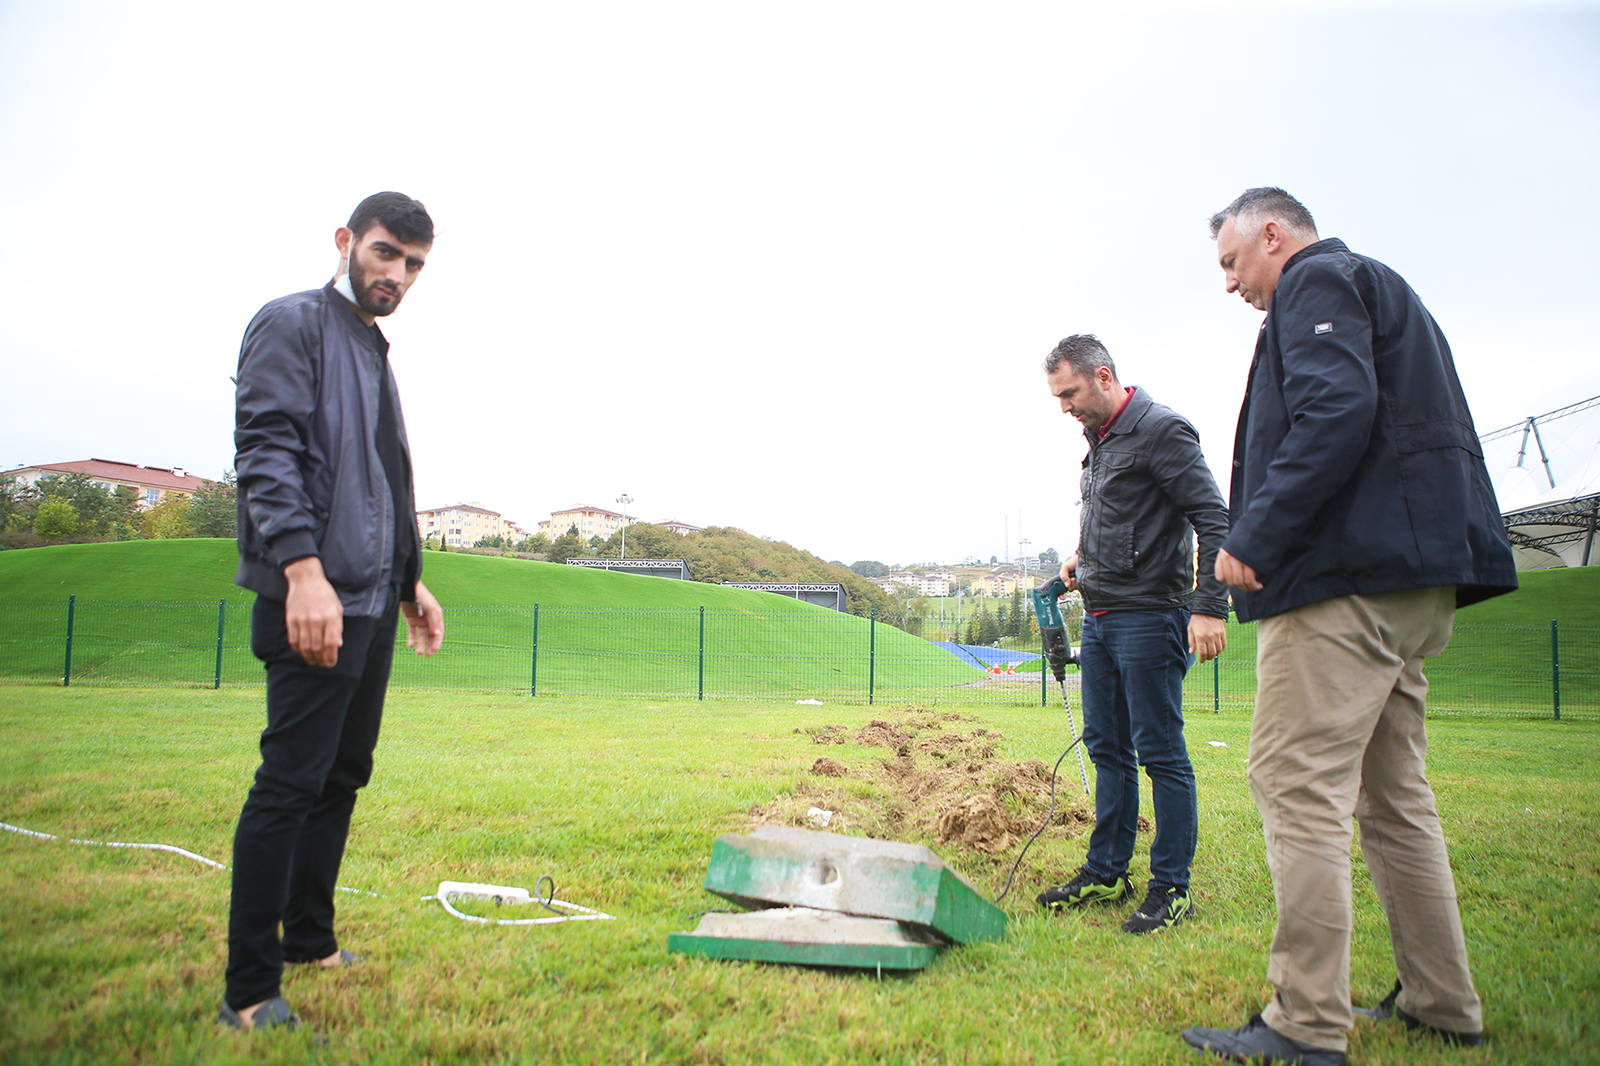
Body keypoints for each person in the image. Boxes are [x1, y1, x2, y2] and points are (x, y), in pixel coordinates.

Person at [1182, 188, 1516, 1065]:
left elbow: (1337, 410)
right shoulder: (1384, 286)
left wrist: (1255, 535)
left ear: (1273, 235)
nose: (1230, 284)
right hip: (1413, 579)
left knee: (1296, 783)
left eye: (1231, 261)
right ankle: (1444, 999)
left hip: (1345, 586)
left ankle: (1305, 1021)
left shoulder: (1315, 283)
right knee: (1394, 798)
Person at [222, 191, 446, 1031]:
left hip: (370, 597)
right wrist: (303, 573)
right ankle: (248, 992)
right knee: (289, 782)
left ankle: (308, 939)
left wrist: (407, 580)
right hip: (312, 597)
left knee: (343, 774)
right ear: (348, 241)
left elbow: (380, 480)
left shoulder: (372, 347)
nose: (398, 274)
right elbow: (267, 451)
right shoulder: (294, 323)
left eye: (415, 265)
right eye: (387, 253)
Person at [1035, 335, 1230, 934]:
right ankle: (1106, 872)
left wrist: (1210, 607)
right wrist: (1078, 560)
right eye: (1057, 398)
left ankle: (1171, 888)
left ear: (1102, 375)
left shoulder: (1162, 430)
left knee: (1161, 753)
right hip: (1099, 617)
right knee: (1106, 747)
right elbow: (1117, 517)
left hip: (1151, 617)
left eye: (1069, 394)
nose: (1064, 408)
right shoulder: (1099, 444)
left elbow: (1213, 518)